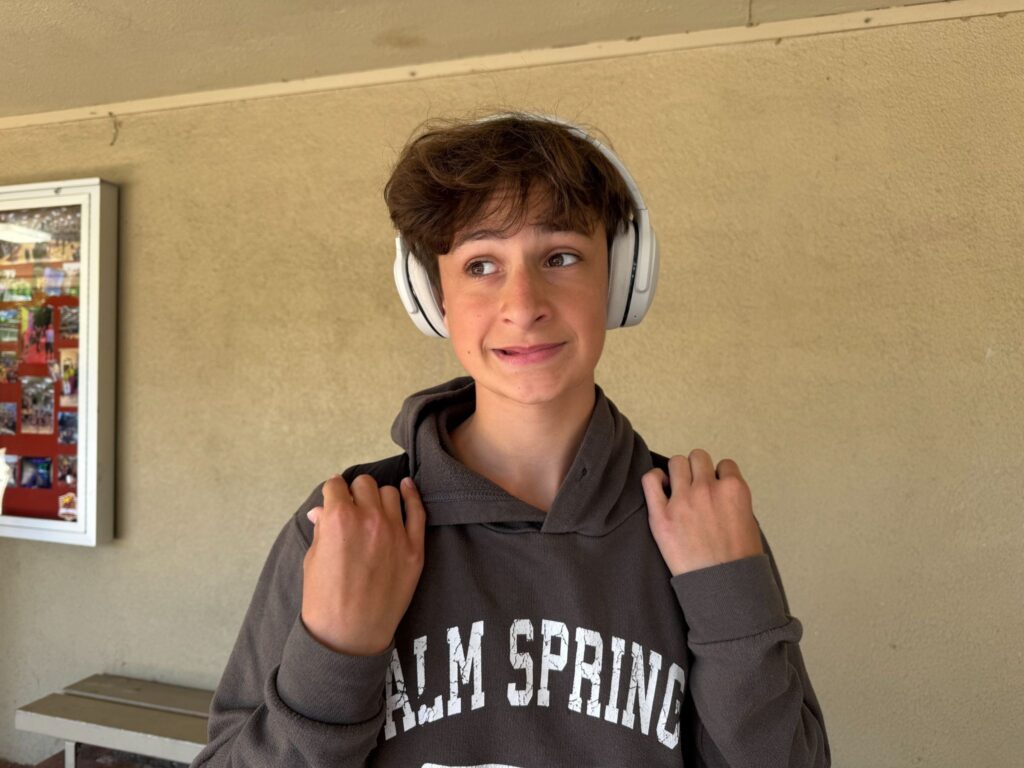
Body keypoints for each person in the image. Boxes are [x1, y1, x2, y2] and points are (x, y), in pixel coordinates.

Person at [192, 112, 830, 767]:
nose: (523, 305)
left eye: (561, 257)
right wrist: (335, 654)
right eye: (481, 265)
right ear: (434, 297)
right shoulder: (347, 525)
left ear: (618, 280)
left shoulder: (702, 522)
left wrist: (730, 601)